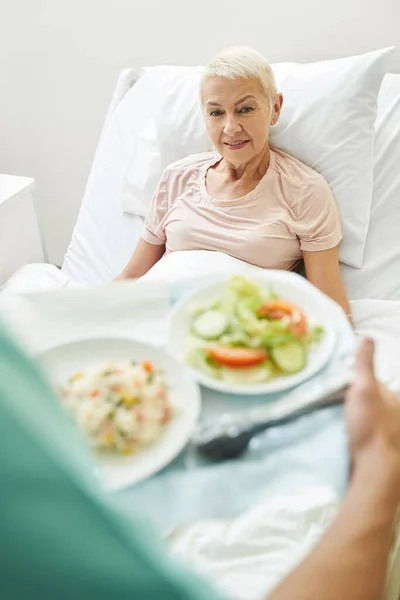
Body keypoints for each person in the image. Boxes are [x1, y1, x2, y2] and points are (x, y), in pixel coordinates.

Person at [0, 316, 399, 599]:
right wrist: (383, 455)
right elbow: (131, 279)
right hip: (165, 342)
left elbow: (332, 314)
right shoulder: (171, 192)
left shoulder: (303, 196)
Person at [117, 46, 350, 317]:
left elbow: (331, 308)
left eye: (245, 109)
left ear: (275, 108)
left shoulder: (304, 191)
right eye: (216, 113)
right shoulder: (177, 178)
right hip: (151, 317)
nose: (230, 128)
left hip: (234, 338)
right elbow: (131, 277)